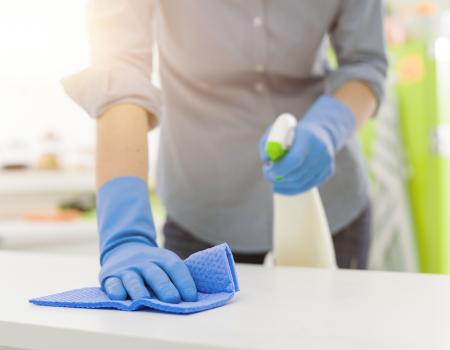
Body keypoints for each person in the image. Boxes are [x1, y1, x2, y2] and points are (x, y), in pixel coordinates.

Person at [63, 0, 387, 303]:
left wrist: (327, 129)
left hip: (325, 206)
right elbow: (120, 71)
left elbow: (364, 64)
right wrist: (125, 233)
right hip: (203, 214)